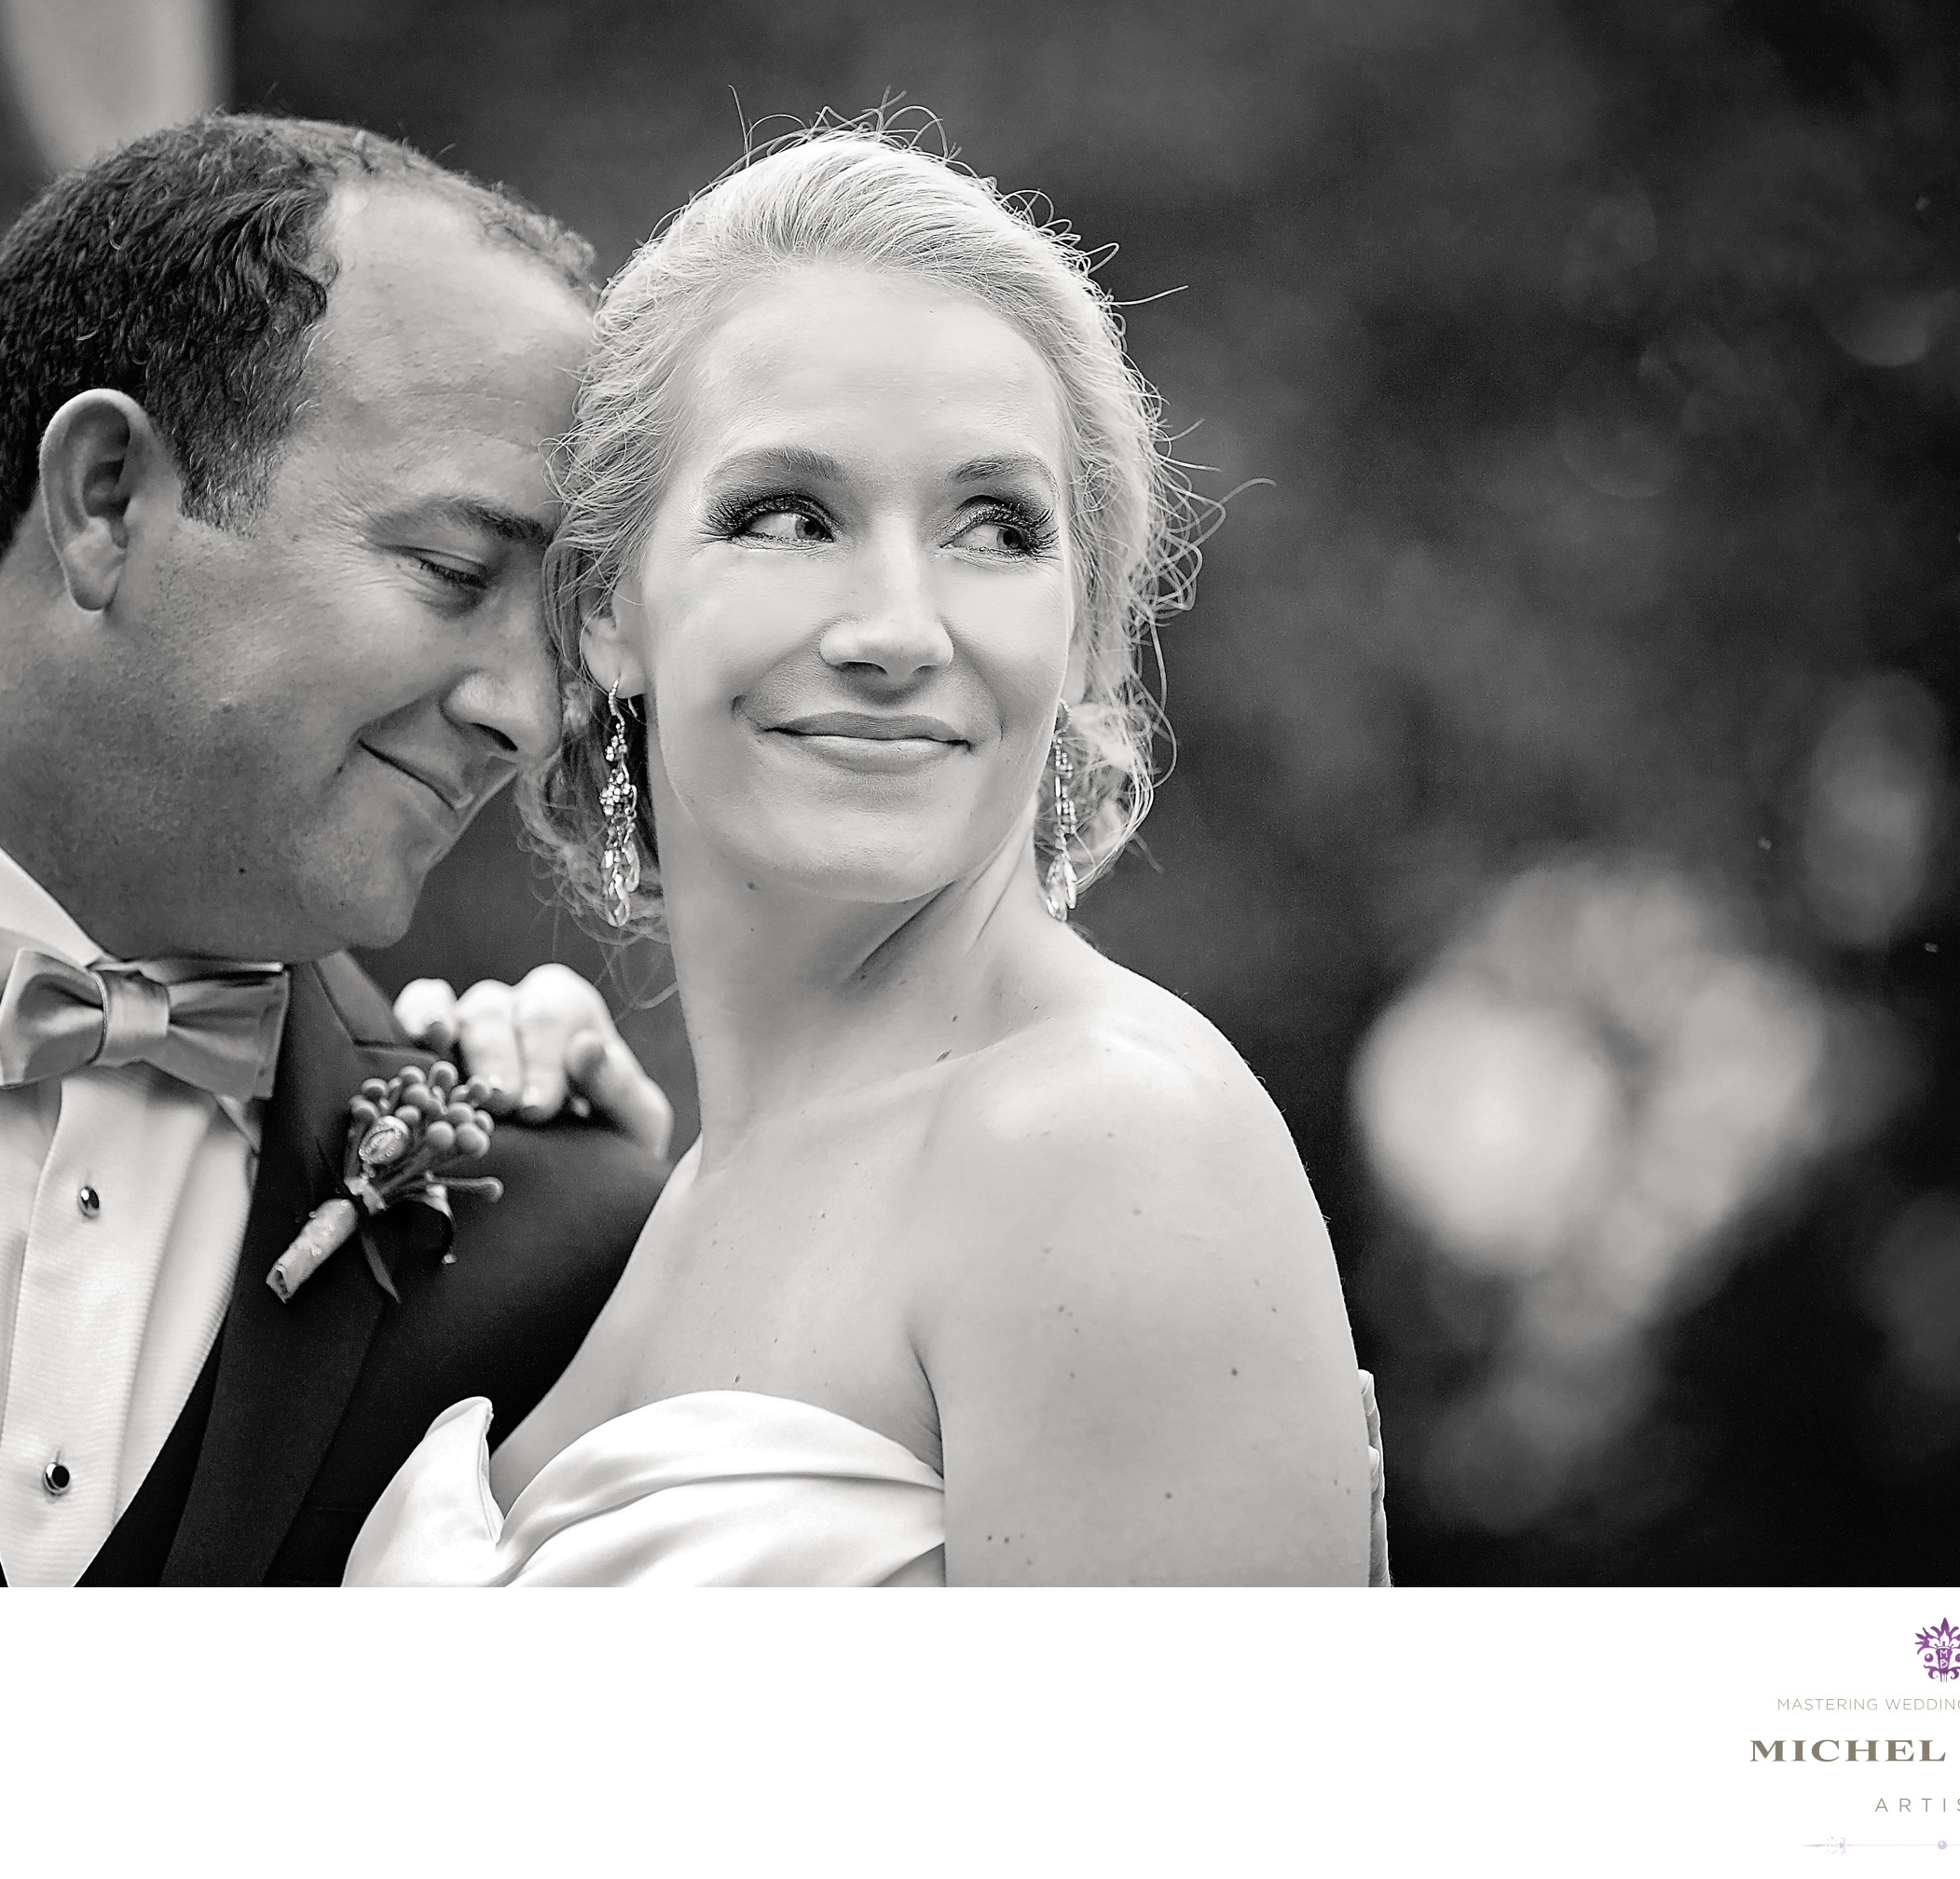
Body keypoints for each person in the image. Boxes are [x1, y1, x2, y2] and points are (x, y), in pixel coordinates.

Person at [349, 126, 1390, 1586]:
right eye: (790, 516)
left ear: (1082, 634)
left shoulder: (1105, 1147)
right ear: (605, 610)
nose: (898, 629)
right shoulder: (641, 1204)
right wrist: (559, 1174)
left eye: (996, 526)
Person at [0, 116, 675, 1586]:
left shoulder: (568, 1252)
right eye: (456, 572)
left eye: (566, 625)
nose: (529, 715)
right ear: (108, 498)